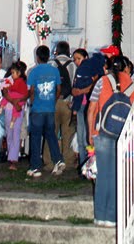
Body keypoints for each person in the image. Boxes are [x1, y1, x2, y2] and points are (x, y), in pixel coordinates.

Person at [87, 54, 134, 227]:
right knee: (118, 174)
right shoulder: (133, 86)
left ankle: (100, 216)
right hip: (124, 135)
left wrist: (91, 131)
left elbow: (92, 108)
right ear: (126, 68)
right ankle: (113, 217)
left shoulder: (102, 81)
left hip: (103, 132)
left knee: (103, 175)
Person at [26, 44, 65, 178]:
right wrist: (53, 101)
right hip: (50, 108)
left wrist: (32, 102)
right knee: (51, 135)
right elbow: (59, 88)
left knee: (36, 137)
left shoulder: (34, 71)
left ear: (37, 57)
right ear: (49, 57)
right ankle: (58, 159)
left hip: (37, 108)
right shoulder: (54, 71)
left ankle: (35, 167)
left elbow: (31, 90)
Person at [43, 40, 76, 170]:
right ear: (68, 51)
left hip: (52, 102)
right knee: (68, 132)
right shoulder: (73, 65)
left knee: (51, 132)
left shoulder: (51, 63)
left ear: (56, 50)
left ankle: (49, 161)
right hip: (68, 102)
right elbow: (74, 82)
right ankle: (67, 161)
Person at [0, 60, 28, 169]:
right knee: (9, 132)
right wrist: (14, 102)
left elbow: (26, 94)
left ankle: (13, 158)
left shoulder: (23, 81)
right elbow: (5, 92)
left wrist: (18, 102)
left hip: (18, 110)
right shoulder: (9, 79)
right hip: (10, 108)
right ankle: (11, 156)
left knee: (16, 132)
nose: (13, 74)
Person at [71, 47, 96, 167]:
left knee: (88, 135)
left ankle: (89, 162)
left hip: (88, 105)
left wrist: (80, 91)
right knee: (81, 136)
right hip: (80, 105)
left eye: (79, 58)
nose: (76, 61)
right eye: (75, 59)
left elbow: (93, 86)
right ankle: (83, 163)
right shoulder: (79, 71)